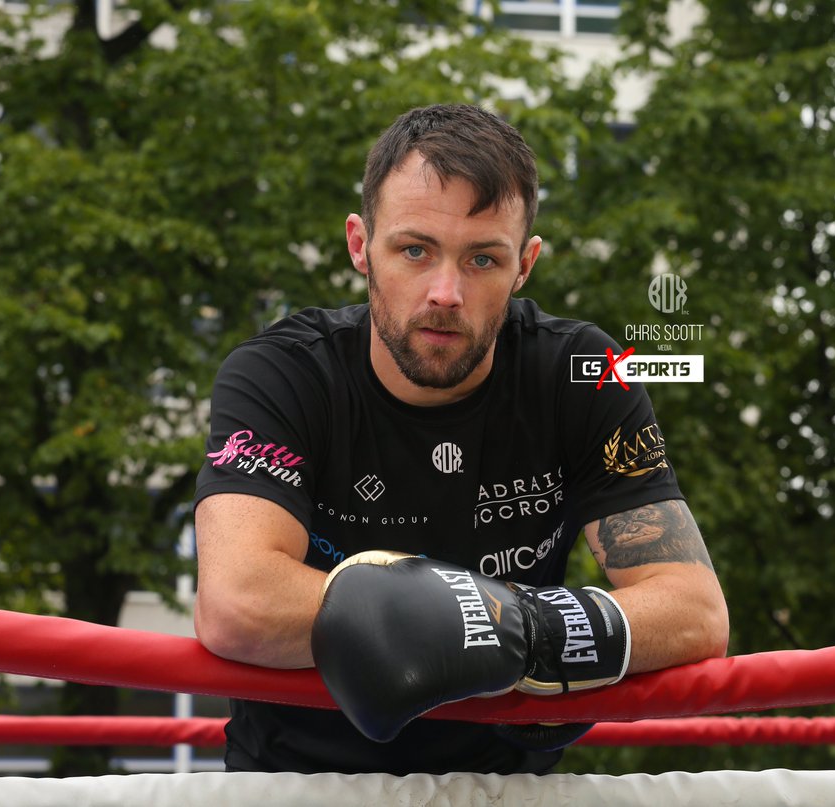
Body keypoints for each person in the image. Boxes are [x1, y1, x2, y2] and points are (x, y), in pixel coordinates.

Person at [192, 103, 729, 774]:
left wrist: (530, 630)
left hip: (504, 787)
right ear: (360, 245)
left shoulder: (585, 373)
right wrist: (490, 624)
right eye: (415, 250)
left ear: (525, 264)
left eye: (482, 259)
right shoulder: (281, 374)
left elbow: (696, 611)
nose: (445, 293)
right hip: (299, 781)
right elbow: (237, 604)